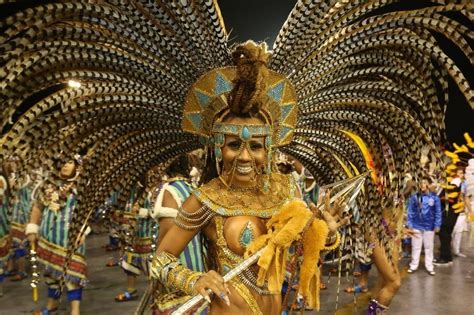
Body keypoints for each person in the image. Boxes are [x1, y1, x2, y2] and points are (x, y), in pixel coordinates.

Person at [151, 41, 347, 315]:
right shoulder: (207, 198)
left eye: (255, 146)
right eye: (234, 145)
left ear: (268, 150)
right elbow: (160, 260)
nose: (244, 157)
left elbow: (298, 254)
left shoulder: (286, 191)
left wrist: (324, 235)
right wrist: (195, 280)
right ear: (219, 147)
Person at [26, 158, 90, 315]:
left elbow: (88, 210)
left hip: (72, 238)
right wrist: (32, 228)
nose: (65, 164)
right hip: (49, 238)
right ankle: (51, 306)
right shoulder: (48, 184)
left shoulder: (82, 186)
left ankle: (75, 311)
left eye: (70, 162)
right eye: (62, 161)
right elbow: (38, 207)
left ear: (76, 165)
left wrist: (83, 231)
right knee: (51, 274)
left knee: (73, 277)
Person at [406, 177, 442, 275]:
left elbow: (438, 212)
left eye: (425, 183)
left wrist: (437, 224)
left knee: (429, 247)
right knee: (416, 246)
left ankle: (429, 266)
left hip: (429, 226)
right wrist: (409, 224)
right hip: (416, 226)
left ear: (429, 184)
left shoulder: (434, 198)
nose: (422, 185)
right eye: (421, 183)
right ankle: (413, 265)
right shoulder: (414, 197)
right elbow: (410, 211)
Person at [436, 167, 464, 265]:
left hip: (450, 213)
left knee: (444, 233)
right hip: (447, 212)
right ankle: (447, 257)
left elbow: (451, 199)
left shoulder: (456, 182)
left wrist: (439, 199)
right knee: (445, 235)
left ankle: (445, 258)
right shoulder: (451, 182)